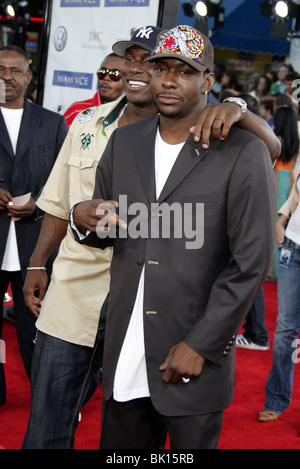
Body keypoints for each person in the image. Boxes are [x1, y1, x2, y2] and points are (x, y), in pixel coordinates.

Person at [72, 24, 276, 449]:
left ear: (208, 81)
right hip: (125, 352)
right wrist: (82, 220)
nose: (167, 80)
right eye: (159, 67)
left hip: (191, 359)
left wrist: (201, 344)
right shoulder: (124, 142)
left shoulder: (241, 151)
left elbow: (251, 263)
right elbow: (108, 230)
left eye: (183, 71)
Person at [0, 45, 68, 406]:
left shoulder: (52, 123)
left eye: (14, 71)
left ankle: (48, 399)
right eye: (0, 69)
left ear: (28, 78)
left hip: (34, 247)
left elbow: (65, 181)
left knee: (35, 329)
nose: (5, 77)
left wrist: (38, 203)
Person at [259, 158, 300, 422]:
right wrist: (281, 220)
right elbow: (297, 190)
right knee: (285, 326)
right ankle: (276, 399)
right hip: (293, 244)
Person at [268, 105, 300, 281]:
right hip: (292, 184)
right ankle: (284, 268)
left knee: (272, 224)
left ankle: (271, 268)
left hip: (275, 181)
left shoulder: (274, 139)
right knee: (286, 227)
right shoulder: (296, 141)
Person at [63, 53, 124, 127]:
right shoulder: (76, 110)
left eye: (114, 74)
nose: (106, 78)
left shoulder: (131, 115)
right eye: (102, 72)